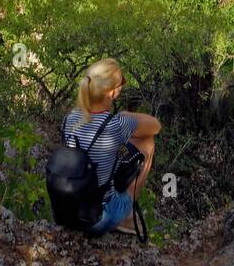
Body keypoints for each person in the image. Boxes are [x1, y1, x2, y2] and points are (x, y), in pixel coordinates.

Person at [61, 58, 160, 235]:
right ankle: (127, 215)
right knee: (147, 142)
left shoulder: (69, 119)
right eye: (122, 82)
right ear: (112, 92)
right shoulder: (117, 124)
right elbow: (156, 126)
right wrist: (127, 114)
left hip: (68, 211)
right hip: (98, 218)